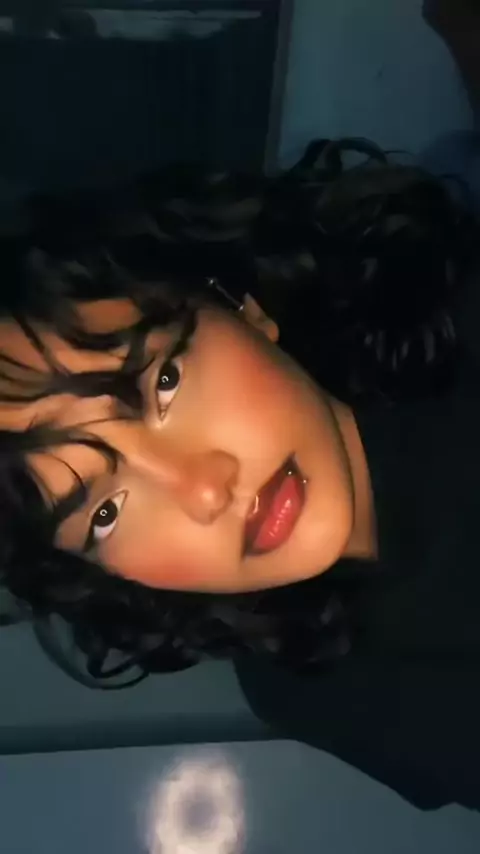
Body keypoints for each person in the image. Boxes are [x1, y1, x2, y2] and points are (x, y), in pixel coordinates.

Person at [0, 136, 479, 812]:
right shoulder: (309, 687)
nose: (203, 489)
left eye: (164, 383)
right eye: (105, 513)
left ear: (239, 304)